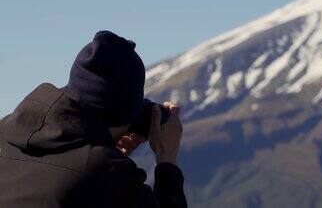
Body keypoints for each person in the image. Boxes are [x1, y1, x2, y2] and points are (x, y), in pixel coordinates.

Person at [0, 31, 188, 208]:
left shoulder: (6, 132)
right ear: (124, 115)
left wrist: (105, 148)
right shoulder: (109, 173)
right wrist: (167, 161)